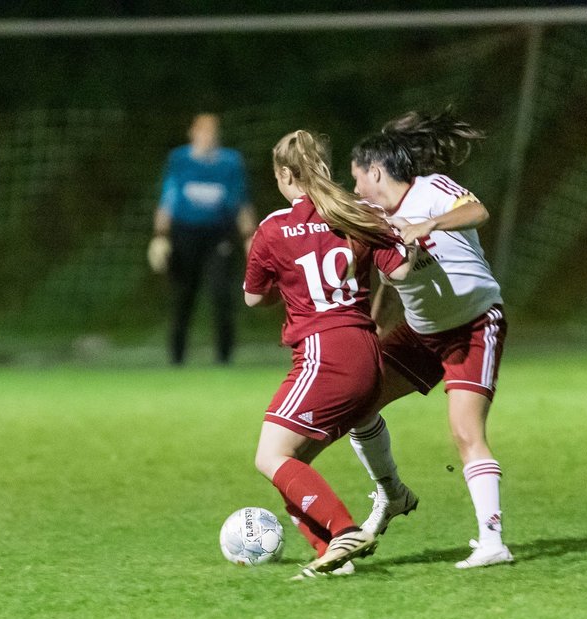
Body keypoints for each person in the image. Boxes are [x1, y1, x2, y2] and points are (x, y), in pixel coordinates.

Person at [345, 105, 514, 569]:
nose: (355, 188)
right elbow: (388, 273)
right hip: (420, 333)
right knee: (358, 402)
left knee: (465, 432)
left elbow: (477, 210)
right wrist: (375, 319)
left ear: (376, 172)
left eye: (357, 177)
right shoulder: (373, 214)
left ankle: (493, 541)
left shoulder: (432, 190)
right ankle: (391, 494)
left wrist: (429, 224)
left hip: (474, 325)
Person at [244, 130, 413, 579]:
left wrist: (290, 285)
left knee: (270, 458)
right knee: (293, 468)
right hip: (367, 352)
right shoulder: (357, 214)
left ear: (284, 174)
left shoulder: (273, 228)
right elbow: (401, 272)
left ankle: (344, 531)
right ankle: (331, 557)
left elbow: (253, 298)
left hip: (326, 354)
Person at [149, 113, 256, 365]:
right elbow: (168, 197)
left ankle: (224, 358)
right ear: (193, 133)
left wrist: (251, 237)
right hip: (185, 233)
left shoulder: (231, 162)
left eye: (212, 132)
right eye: (203, 132)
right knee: (183, 294)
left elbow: (242, 201)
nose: (208, 137)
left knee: (221, 293)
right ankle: (176, 358)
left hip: (219, 234)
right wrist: (160, 235)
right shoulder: (179, 160)